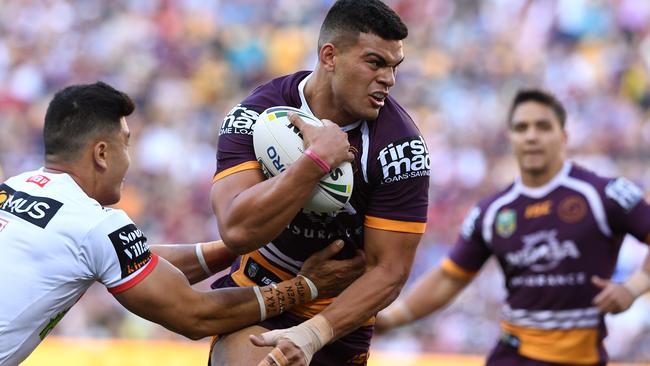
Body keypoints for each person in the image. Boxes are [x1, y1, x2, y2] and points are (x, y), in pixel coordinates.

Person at [0, 81, 366, 365]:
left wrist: (248, 240)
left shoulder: (14, 188)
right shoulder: (94, 225)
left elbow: (139, 261)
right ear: (101, 153)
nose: (130, 158)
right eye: (126, 144)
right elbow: (195, 316)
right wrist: (307, 287)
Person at [209, 1, 430, 365]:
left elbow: (390, 270)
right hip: (259, 293)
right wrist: (315, 163)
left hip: (338, 317)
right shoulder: (254, 114)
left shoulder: (402, 148)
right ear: (330, 56)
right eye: (375, 63)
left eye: (394, 67)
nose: (389, 79)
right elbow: (236, 230)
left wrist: (314, 333)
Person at [375, 89, 650, 365]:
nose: (531, 136)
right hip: (512, 355)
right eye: (521, 128)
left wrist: (634, 287)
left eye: (543, 126)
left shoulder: (603, 194)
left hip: (579, 358)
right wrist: (390, 319)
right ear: (511, 138)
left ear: (564, 137)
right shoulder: (492, 211)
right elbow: (450, 278)